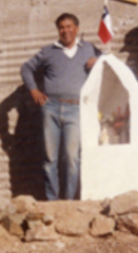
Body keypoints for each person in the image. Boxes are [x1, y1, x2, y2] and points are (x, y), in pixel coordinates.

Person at [21, 13, 98, 200]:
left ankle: (70, 201)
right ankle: (52, 201)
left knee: (72, 158)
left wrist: (99, 62)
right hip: (51, 108)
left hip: (76, 109)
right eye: (62, 27)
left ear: (77, 29)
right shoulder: (48, 51)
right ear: (58, 30)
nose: (66, 31)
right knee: (50, 159)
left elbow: (110, 63)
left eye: (69, 26)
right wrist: (33, 91)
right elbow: (26, 68)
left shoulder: (88, 49)